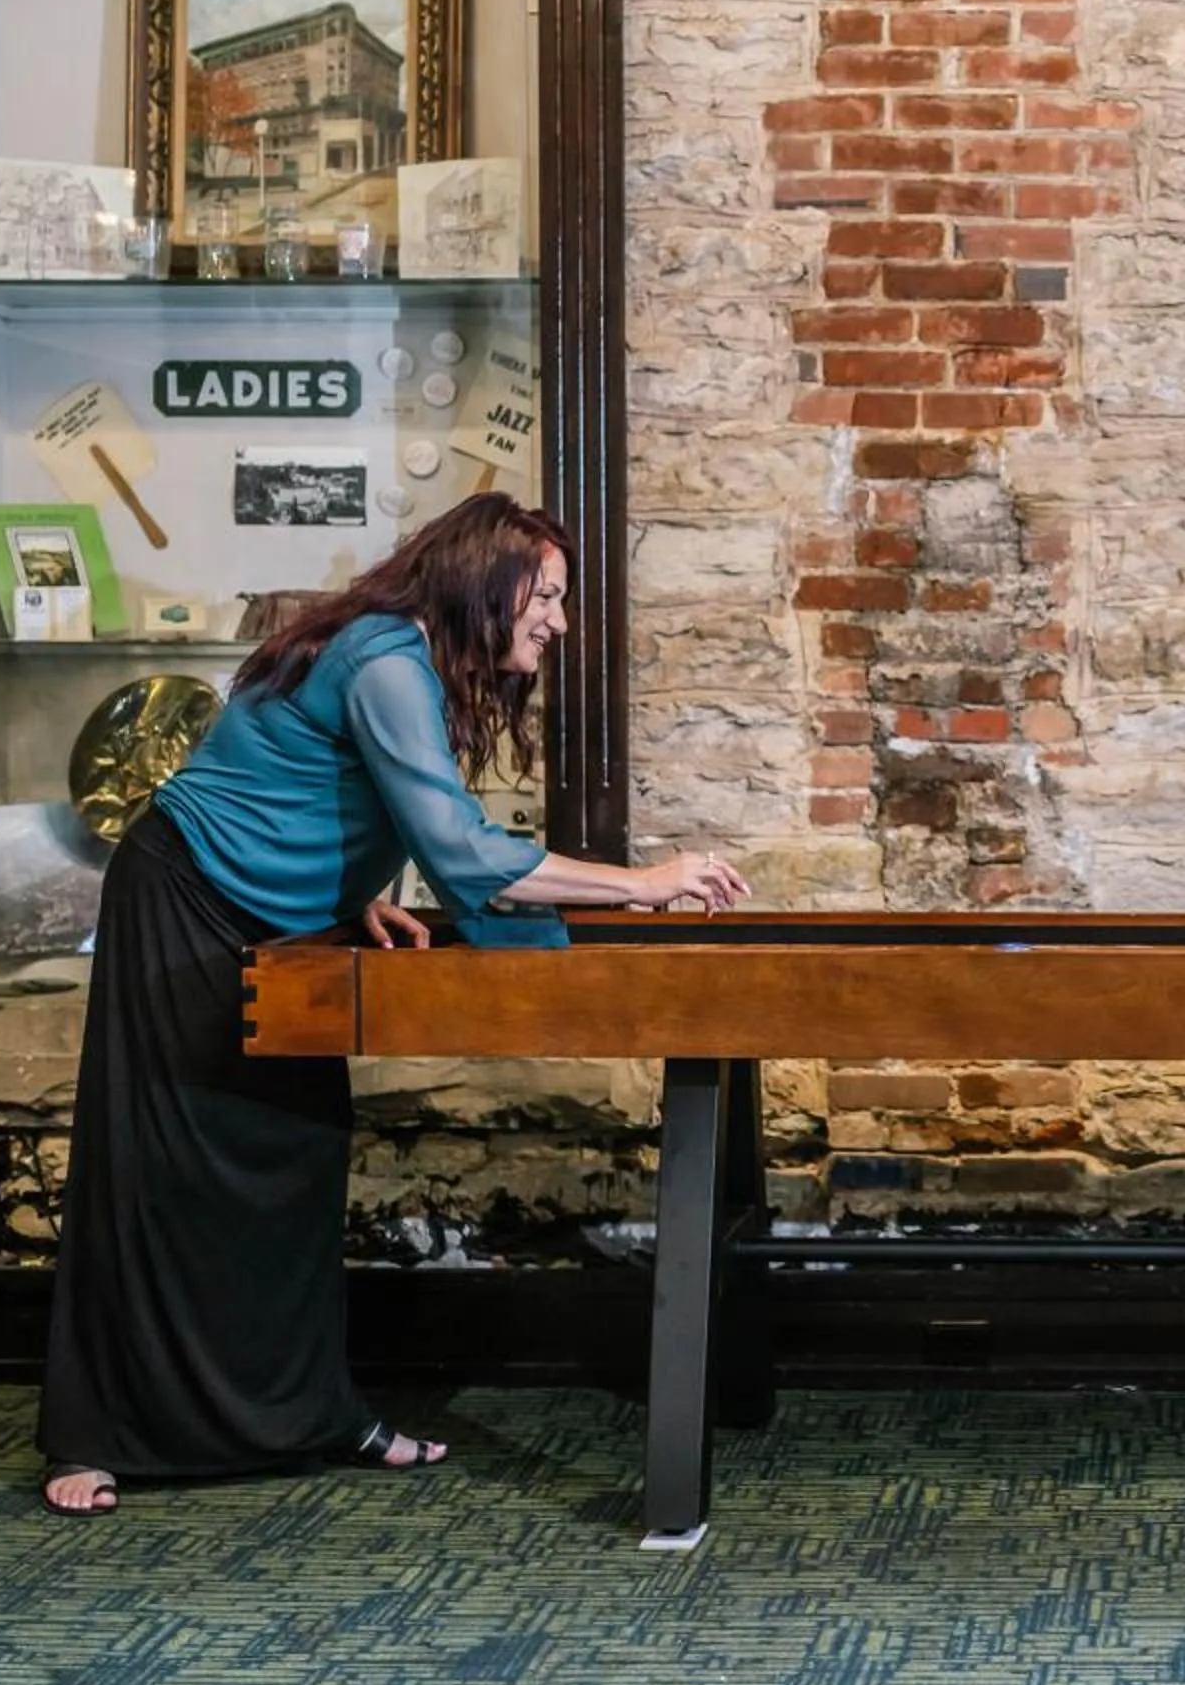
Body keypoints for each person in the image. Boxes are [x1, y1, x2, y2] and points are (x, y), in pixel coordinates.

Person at [38, 495, 751, 1515]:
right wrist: (643, 880)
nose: (556, 618)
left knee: (296, 1156)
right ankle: (91, 1433)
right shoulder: (385, 655)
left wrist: (350, 893)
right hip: (185, 904)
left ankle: (313, 1412)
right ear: (483, 581)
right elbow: (459, 846)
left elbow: (320, 787)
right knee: (154, 1169)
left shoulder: (405, 660)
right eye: (544, 594)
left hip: (285, 926)